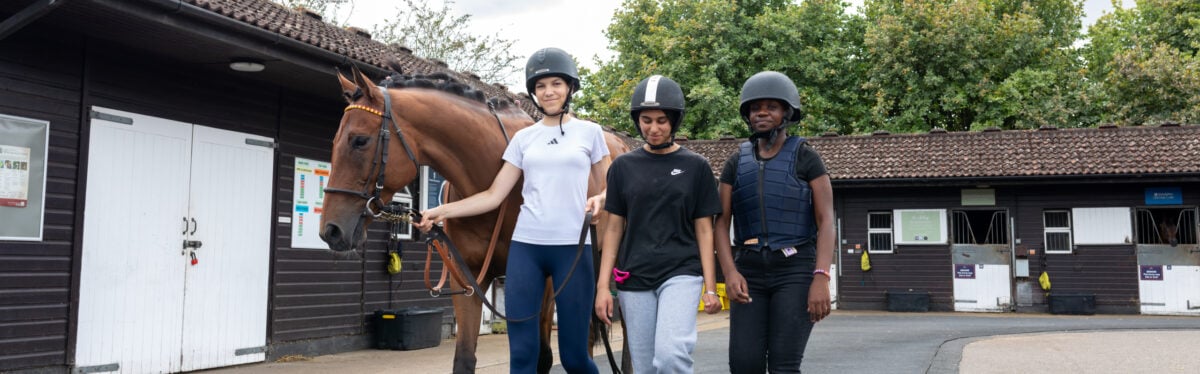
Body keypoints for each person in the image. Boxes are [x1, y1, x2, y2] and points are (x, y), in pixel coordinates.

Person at [416, 47, 609, 374]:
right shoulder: (524, 139)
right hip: (527, 249)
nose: (548, 92)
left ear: (570, 88)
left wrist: (601, 199)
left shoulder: (589, 133)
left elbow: (611, 186)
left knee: (576, 358)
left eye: (556, 84)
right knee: (522, 356)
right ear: (533, 92)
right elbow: (493, 194)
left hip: (573, 250)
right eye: (541, 86)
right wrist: (442, 210)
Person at [593, 75, 722, 374]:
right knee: (644, 368)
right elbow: (613, 229)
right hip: (633, 277)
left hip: (681, 273)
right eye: (646, 120)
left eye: (662, 120)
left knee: (670, 356)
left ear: (674, 121)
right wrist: (602, 287)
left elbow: (705, 229)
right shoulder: (623, 167)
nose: (653, 128)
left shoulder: (696, 167)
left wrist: (710, 286)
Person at [713, 71, 834, 373]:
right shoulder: (735, 162)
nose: (762, 113)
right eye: (756, 108)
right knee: (744, 364)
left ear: (786, 114)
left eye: (771, 106)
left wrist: (821, 277)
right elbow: (720, 222)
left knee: (784, 364)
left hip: (795, 268)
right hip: (749, 269)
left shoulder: (806, 157)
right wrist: (729, 273)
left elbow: (826, 219)